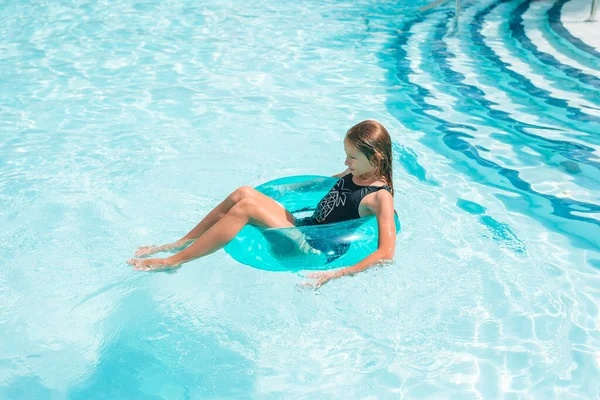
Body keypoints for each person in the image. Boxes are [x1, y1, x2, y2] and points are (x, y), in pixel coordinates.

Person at [127, 120, 397, 288]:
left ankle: (174, 261)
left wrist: (338, 274)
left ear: (374, 158)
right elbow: (318, 188)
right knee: (243, 193)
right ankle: (180, 243)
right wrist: (278, 194)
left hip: (313, 250)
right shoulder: (355, 173)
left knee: (246, 209)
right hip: (305, 228)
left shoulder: (379, 197)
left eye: (351, 157)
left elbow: (386, 252)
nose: (345, 163)